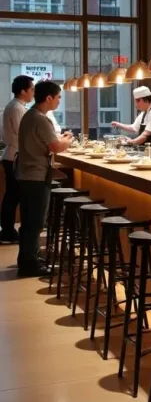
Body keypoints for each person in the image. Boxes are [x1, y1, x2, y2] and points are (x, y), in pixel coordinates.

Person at [16, 80, 72, 276]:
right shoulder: (40, 119)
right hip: (36, 175)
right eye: (58, 97)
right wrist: (68, 139)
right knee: (36, 221)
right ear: (49, 98)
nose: (59, 101)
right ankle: (29, 263)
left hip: (27, 173)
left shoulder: (30, 115)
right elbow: (56, 146)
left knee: (29, 220)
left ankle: (27, 258)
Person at [0, 75, 35, 244]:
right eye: (32, 89)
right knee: (13, 196)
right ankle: (7, 232)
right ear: (23, 91)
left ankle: (8, 230)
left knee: (12, 195)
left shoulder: (15, 106)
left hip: (12, 155)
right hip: (15, 156)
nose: (33, 93)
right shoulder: (17, 108)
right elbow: (25, 134)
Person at [112, 86, 151, 155]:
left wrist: (130, 142)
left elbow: (145, 136)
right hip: (148, 151)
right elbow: (134, 128)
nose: (136, 105)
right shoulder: (144, 112)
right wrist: (118, 125)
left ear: (146, 99)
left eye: (138, 101)